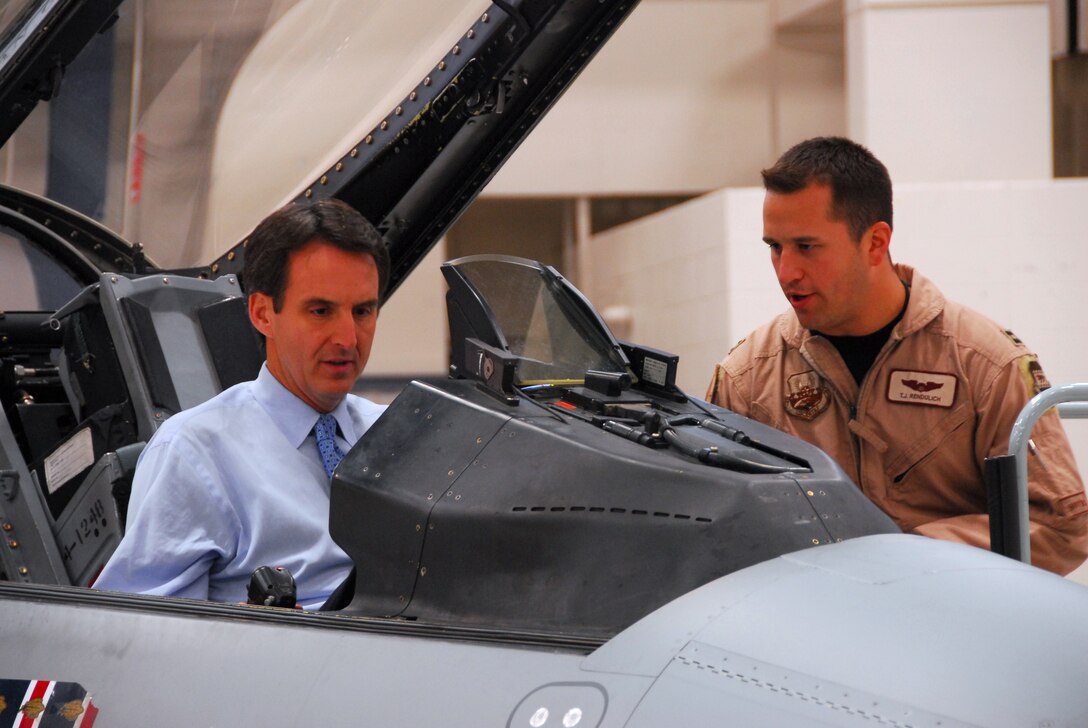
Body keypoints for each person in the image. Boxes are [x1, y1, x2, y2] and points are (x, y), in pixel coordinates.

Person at [705, 136, 1088, 574]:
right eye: (775, 247)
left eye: (807, 247)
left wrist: (906, 556)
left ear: (875, 242)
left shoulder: (981, 364)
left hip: (953, 629)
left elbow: (1062, 527)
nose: (786, 272)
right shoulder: (748, 379)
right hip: (808, 630)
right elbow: (717, 538)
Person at [95, 198, 390, 607]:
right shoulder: (194, 452)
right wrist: (252, 635)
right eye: (320, 311)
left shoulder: (401, 437)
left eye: (363, 311)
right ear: (262, 313)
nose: (347, 338)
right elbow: (138, 635)